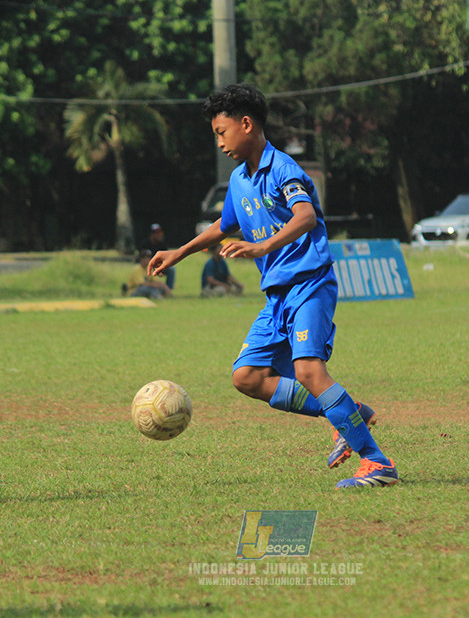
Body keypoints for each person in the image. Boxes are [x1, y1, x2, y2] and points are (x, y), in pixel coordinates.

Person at [149, 83, 397, 489]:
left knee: (308, 369)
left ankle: (377, 462)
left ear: (246, 124)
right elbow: (225, 225)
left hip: (308, 283)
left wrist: (263, 244)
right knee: (246, 377)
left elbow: (305, 217)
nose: (219, 141)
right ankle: (347, 411)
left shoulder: (283, 168)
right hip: (277, 294)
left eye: (221, 131)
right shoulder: (239, 180)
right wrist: (181, 251)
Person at [140, 223, 175, 291]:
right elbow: (142, 258)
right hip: (147, 265)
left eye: (160, 232)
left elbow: (166, 258)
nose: (159, 234)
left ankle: (168, 290)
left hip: (158, 265)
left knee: (171, 269)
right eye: (156, 233)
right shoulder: (144, 244)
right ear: (151, 234)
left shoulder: (163, 244)